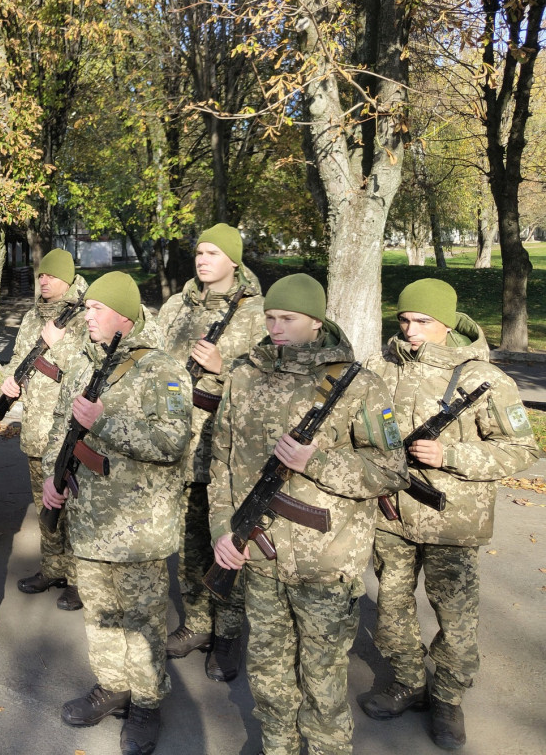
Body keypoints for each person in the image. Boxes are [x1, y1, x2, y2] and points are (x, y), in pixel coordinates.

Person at [208, 274, 409, 755]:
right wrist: (222, 530)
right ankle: (277, 747)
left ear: (316, 322)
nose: (276, 327)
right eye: (270, 317)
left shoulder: (358, 384)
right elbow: (220, 460)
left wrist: (314, 462)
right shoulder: (243, 373)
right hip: (258, 554)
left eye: (288, 318)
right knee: (269, 675)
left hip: (325, 562)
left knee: (322, 684)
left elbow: (392, 469)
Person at [360, 278, 538, 750]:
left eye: (422, 321)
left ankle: (447, 698)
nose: (410, 329)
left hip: (453, 521)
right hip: (392, 514)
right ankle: (408, 681)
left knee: (456, 619)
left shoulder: (485, 378)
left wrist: (452, 455)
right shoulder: (379, 367)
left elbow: (521, 449)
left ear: (446, 324)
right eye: (404, 319)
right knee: (392, 610)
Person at [42, 272, 192, 755]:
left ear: (124, 317)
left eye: (95, 309)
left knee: (143, 622)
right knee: (101, 615)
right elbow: (61, 429)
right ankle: (112, 684)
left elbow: (172, 443)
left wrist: (104, 420)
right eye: (85, 308)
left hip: (137, 526)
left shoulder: (163, 370)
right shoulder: (87, 363)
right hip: (89, 519)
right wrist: (52, 475)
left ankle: (147, 702)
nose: (85, 315)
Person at [153, 224, 265, 681]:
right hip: (179, 442)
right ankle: (198, 623)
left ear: (233, 261)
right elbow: (157, 362)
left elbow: (272, 382)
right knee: (189, 541)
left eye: (213, 253)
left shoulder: (257, 314)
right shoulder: (176, 307)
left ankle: (229, 633)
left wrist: (226, 368)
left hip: (226, 447)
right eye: (199, 252)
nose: (202, 260)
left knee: (227, 541)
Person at [0, 249, 88, 611]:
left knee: (73, 507)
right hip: (35, 428)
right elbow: (22, 357)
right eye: (40, 275)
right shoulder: (34, 315)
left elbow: (87, 370)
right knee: (44, 505)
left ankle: (81, 579)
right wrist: (10, 383)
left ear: (67, 279)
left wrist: (57, 344)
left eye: (51, 276)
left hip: (67, 429)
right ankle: (53, 568)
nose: (43, 280)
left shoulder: (83, 318)